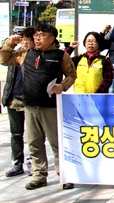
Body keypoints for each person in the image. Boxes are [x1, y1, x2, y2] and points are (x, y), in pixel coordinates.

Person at [0, 24, 77, 190]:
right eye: (36, 35)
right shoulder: (26, 53)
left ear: (52, 38)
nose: (37, 38)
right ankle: (38, 175)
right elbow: (4, 59)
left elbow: (71, 74)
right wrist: (10, 43)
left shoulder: (60, 56)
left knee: (56, 142)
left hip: (50, 106)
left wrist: (62, 86)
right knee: (34, 143)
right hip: (30, 105)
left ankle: (63, 174)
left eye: (42, 35)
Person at [1, 27, 35, 178]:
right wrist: (10, 43)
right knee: (16, 134)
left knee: (33, 135)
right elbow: (3, 59)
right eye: (24, 38)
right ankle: (17, 163)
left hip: (31, 101)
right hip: (14, 99)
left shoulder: (38, 55)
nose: (26, 42)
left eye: (29, 39)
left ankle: (33, 162)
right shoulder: (17, 54)